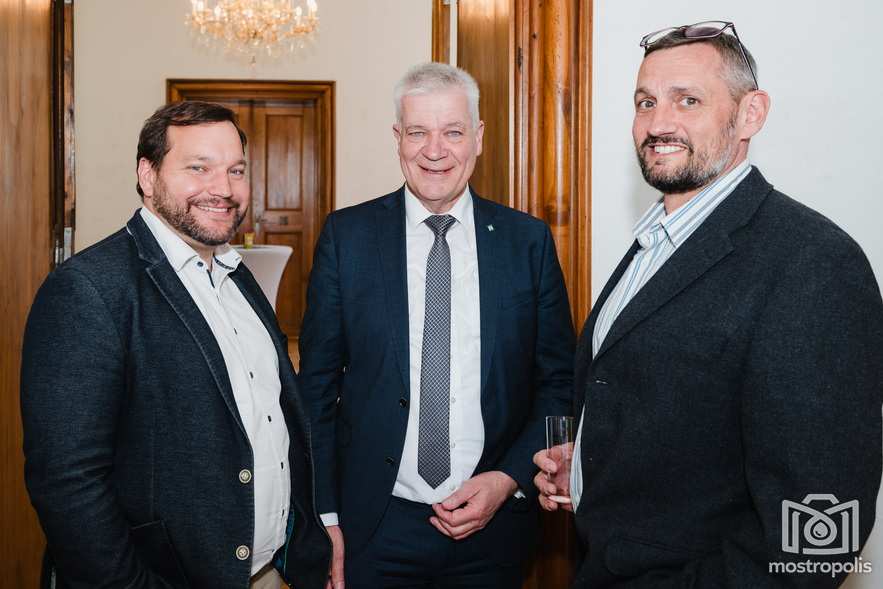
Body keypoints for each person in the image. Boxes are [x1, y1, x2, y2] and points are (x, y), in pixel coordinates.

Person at [533, 20, 883, 587]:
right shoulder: (655, 241)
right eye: (645, 102)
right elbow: (683, 418)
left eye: (687, 100)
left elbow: (818, 538)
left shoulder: (813, 262)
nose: (658, 124)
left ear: (751, 114)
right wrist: (595, 467)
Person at [21, 101, 330, 589]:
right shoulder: (89, 289)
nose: (223, 188)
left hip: (269, 572)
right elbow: (67, 481)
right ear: (148, 175)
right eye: (198, 168)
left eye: (235, 170)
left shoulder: (238, 277)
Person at [298, 62, 575, 588]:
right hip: (374, 526)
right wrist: (324, 516)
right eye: (418, 132)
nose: (434, 150)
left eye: (453, 132)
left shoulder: (527, 242)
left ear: (479, 138)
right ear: (397, 138)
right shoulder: (347, 237)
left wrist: (508, 478)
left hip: (494, 528)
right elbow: (315, 391)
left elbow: (558, 382)